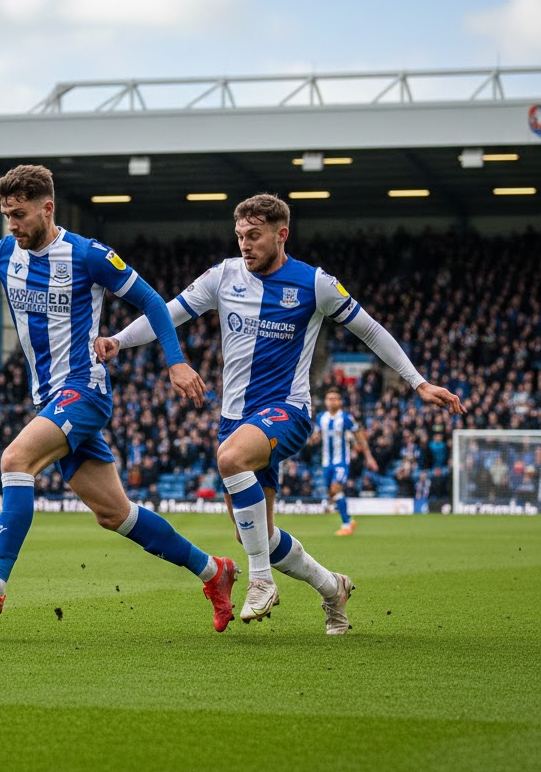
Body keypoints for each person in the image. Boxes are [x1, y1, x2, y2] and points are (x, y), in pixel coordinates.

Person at [0, 164, 239, 630]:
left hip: (84, 389)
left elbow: (150, 301)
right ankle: (214, 572)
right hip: (49, 398)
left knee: (15, 460)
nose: (12, 225)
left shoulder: (89, 256)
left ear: (47, 207)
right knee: (114, 513)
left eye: (20, 214)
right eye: (6, 215)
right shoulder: (5, 254)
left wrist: (175, 360)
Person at [97, 193, 465, 634]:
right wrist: (118, 340)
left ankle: (260, 582)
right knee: (258, 536)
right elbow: (170, 314)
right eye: (239, 236)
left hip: (287, 412)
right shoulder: (223, 276)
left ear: (281, 234)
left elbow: (370, 328)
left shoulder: (314, 284)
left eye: (254, 236)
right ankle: (333, 589)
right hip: (235, 418)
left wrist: (418, 382)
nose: (245, 245)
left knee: (231, 460)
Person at [311, 386, 378, 535]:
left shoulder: (346, 418)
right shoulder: (321, 417)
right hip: (326, 462)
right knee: (331, 492)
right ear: (325, 401)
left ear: (340, 402)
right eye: (329, 399)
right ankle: (348, 518)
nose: (332, 401)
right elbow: (317, 435)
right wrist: (313, 439)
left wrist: (368, 456)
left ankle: (346, 524)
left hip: (340, 461)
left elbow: (359, 436)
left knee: (336, 488)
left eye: (335, 399)